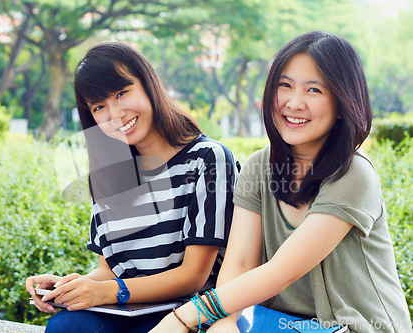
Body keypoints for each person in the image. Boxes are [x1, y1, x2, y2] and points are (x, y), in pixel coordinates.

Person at [150, 31, 412, 333]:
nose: (294, 102)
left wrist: (183, 317)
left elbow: (281, 272)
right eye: (284, 85)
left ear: (342, 104)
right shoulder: (258, 167)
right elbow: (240, 263)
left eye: (314, 90)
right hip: (277, 325)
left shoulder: (353, 174)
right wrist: (224, 322)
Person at [25, 41, 239, 333]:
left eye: (122, 93)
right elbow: (108, 270)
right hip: (128, 308)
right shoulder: (108, 174)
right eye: (99, 107)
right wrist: (68, 286)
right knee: (67, 326)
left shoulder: (207, 159)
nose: (115, 115)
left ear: (148, 85)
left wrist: (111, 291)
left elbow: (194, 276)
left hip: (190, 313)